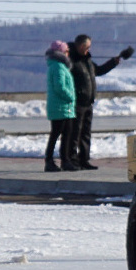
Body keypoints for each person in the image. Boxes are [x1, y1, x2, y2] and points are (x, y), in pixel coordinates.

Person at [67, 34, 136, 170]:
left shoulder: (87, 60)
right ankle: (72, 159)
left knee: (85, 133)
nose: (88, 49)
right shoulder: (71, 61)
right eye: (87, 47)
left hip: (88, 102)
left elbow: (98, 71)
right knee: (75, 133)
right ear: (81, 46)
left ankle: (84, 160)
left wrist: (113, 62)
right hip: (77, 102)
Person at [43, 41, 78, 172]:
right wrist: (71, 97)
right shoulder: (58, 67)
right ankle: (51, 161)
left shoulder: (58, 66)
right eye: (67, 51)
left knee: (66, 134)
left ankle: (65, 160)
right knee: (57, 134)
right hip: (61, 106)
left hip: (64, 107)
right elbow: (60, 87)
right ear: (61, 53)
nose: (68, 53)